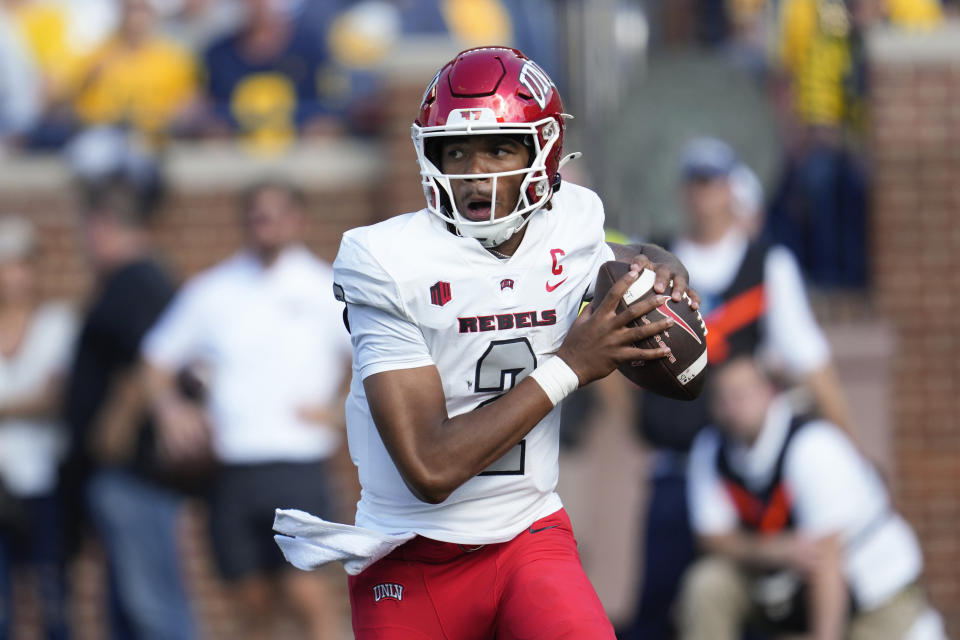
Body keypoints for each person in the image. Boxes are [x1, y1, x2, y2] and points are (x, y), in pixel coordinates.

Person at [272, 46, 695, 639]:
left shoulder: (573, 220)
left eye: (499, 147)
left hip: (528, 536)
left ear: (543, 151)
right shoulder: (386, 262)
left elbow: (609, 256)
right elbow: (430, 466)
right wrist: (570, 365)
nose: (476, 171)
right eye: (458, 150)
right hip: (412, 554)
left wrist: (658, 259)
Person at [626, 136, 853, 640]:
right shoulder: (654, 261)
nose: (703, 194)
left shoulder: (767, 266)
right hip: (676, 467)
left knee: (746, 604)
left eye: (712, 181)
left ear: (732, 189)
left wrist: (848, 447)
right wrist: (635, 413)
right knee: (657, 610)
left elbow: (809, 361)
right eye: (694, 182)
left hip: (741, 474)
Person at [143, 180, 352, 640]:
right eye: (259, 215)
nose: (268, 225)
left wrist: (341, 411)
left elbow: (374, 355)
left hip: (297, 460)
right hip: (230, 465)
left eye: (278, 214)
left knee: (307, 594)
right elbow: (156, 359)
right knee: (249, 601)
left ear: (300, 221)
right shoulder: (214, 290)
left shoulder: (323, 286)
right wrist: (172, 410)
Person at [679, 354, 947, 640]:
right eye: (724, 397)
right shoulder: (711, 449)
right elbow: (713, 538)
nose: (733, 406)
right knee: (708, 582)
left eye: (742, 394)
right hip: (793, 587)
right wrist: (776, 549)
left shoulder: (812, 445)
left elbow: (826, 560)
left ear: (769, 392)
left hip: (874, 593)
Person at [63, 177, 197, 640]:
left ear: (102, 226)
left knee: (153, 607)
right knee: (129, 607)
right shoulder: (133, 281)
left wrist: (113, 430)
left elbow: (149, 360)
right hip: (123, 474)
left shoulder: (138, 281)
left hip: (134, 471)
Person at [0, 215, 75, 640]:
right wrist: (27, 402)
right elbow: (40, 397)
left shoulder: (57, 325)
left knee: (53, 601)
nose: (13, 275)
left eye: (21, 263)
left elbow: (56, 399)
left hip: (44, 479)